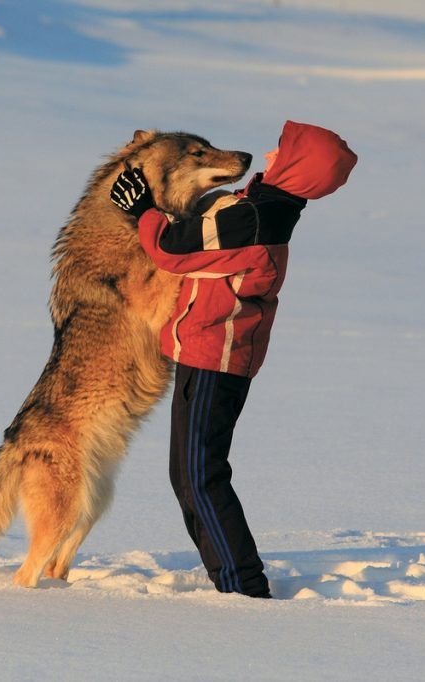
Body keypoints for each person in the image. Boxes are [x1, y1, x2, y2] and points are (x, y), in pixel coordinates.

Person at [110, 120, 357, 598]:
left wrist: (140, 210)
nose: (267, 154)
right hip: (212, 353)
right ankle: (231, 577)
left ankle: (242, 587)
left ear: (296, 168)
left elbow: (174, 248)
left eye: (281, 152)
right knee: (189, 473)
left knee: (200, 474)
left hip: (214, 358)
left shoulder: (254, 220)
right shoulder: (262, 207)